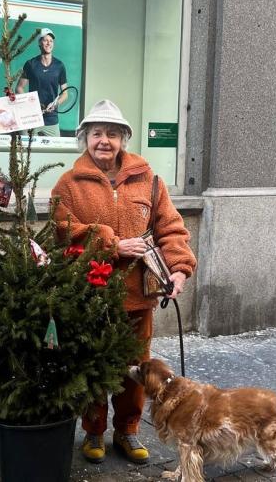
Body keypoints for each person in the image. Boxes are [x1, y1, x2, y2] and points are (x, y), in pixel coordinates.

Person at [51, 99, 196, 465]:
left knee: (136, 368)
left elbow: (171, 228)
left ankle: (128, 431)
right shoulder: (68, 184)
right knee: (92, 363)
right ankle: (95, 431)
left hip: (136, 297)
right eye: (97, 133)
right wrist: (110, 242)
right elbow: (62, 230)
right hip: (91, 294)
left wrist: (179, 268)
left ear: (123, 140)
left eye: (112, 134)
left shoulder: (150, 181)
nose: (104, 141)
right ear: (84, 138)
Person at [16, 27, 67, 136]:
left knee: (56, 151)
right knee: (24, 150)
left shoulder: (59, 66)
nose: (49, 43)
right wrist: (32, 104)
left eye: (51, 41)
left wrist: (55, 104)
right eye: (45, 40)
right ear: (39, 43)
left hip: (51, 119)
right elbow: (19, 88)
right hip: (31, 118)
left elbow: (65, 93)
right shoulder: (30, 64)